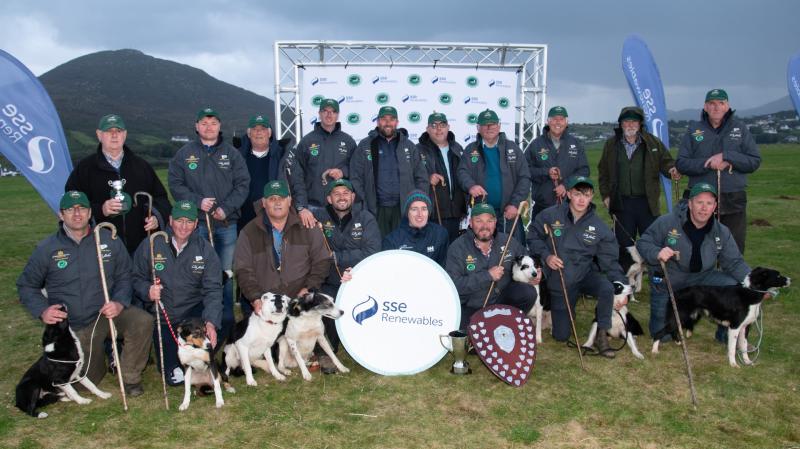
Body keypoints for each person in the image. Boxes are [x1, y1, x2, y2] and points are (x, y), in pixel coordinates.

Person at [17, 191, 153, 396]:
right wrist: (42, 310)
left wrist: (119, 301)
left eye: (81, 208)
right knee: (84, 382)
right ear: (61, 215)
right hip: (77, 325)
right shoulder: (47, 249)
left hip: (108, 312)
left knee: (142, 320)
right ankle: (99, 357)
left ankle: (130, 376)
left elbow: (126, 274)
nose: (77, 214)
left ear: (90, 212)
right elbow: (26, 285)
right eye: (70, 210)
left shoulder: (108, 239)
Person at [168, 107, 250, 341]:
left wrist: (226, 207)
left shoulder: (232, 154)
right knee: (198, 274)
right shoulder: (184, 154)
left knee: (224, 275)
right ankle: (198, 323)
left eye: (213, 123)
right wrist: (197, 202)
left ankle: (223, 323)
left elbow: (243, 184)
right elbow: (175, 183)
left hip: (226, 225)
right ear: (196, 126)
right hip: (196, 226)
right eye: (204, 123)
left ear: (219, 126)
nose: (208, 127)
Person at [636, 182, 751, 339]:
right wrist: (657, 252)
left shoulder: (721, 232)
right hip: (670, 279)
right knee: (662, 336)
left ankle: (728, 334)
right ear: (690, 204)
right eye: (699, 202)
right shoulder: (668, 222)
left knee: (735, 286)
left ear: (715, 206)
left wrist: (753, 282)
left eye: (709, 203)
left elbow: (734, 262)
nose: (704, 208)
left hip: (704, 277)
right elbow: (644, 242)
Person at [528, 176, 626, 358]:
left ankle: (601, 335)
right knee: (561, 335)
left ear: (592, 197)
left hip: (584, 275)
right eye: (577, 194)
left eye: (586, 195)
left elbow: (610, 260)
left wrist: (622, 287)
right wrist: (547, 256)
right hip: (561, 282)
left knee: (606, 287)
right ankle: (567, 310)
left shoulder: (598, 226)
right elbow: (532, 237)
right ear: (569, 194)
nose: (582, 199)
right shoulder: (550, 215)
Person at [132, 200, 222, 386]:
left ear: (196, 224)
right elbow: (135, 277)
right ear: (170, 220)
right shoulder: (151, 244)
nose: (183, 226)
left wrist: (211, 322)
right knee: (174, 378)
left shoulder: (205, 249)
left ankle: (200, 354)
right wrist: (147, 290)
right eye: (179, 220)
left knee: (225, 318)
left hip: (191, 313)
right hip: (163, 316)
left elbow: (213, 289)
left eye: (189, 221)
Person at [65, 114, 171, 254]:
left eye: (118, 131)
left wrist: (156, 218)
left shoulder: (141, 166)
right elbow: (71, 207)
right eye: (109, 131)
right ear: (99, 135)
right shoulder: (84, 169)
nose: (114, 135)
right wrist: (100, 210)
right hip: (99, 249)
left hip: (140, 248)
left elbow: (161, 199)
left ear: (125, 134)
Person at [676, 89, 761, 254]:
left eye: (721, 103)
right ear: (705, 107)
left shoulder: (740, 129)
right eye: (712, 104)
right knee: (696, 247)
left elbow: (754, 161)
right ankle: (699, 279)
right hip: (700, 199)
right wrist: (708, 163)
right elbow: (681, 163)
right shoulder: (694, 130)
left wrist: (727, 157)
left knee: (733, 248)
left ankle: (732, 280)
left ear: (727, 106)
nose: (716, 107)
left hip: (732, 198)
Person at [313, 178, 381, 373]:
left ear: (353, 196)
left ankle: (367, 348)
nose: (342, 197)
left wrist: (337, 256)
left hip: (360, 277)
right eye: (336, 194)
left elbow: (372, 250)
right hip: (329, 279)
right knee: (325, 301)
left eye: (346, 193)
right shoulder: (318, 217)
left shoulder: (366, 217)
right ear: (328, 198)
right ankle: (326, 353)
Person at [234, 179, 330, 315]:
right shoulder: (249, 232)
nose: (278, 202)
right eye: (272, 198)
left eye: (282, 198)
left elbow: (322, 261)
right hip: (266, 305)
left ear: (289, 201)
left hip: (300, 302)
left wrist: (309, 289)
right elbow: (243, 270)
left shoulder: (307, 226)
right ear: (263, 202)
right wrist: (255, 298)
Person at [598, 106, 680, 255]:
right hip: (621, 203)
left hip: (647, 203)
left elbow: (666, 162)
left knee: (653, 241)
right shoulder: (611, 144)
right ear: (621, 124)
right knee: (623, 243)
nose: (630, 125)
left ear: (640, 123)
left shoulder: (653, 143)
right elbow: (603, 172)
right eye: (626, 121)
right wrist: (605, 195)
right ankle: (623, 277)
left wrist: (672, 170)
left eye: (634, 121)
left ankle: (656, 276)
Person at [446, 203, 539, 331]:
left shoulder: (508, 241)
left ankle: (509, 323)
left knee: (527, 292)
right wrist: (487, 276)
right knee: (473, 343)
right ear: (471, 223)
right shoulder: (457, 248)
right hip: (473, 305)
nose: (485, 226)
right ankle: (491, 326)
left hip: (502, 300)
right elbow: (454, 285)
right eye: (479, 221)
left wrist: (536, 272)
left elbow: (526, 258)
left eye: (489, 221)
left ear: (495, 222)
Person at [349, 106, 428, 236]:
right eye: (384, 119)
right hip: (376, 209)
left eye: (391, 119)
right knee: (379, 247)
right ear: (378, 122)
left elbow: (421, 177)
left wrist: (417, 202)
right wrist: (365, 199)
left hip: (402, 208)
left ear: (396, 122)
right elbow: (355, 176)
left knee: (403, 246)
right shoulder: (365, 145)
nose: (387, 123)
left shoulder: (408, 146)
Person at [457, 109, 530, 244]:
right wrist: (471, 186)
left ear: (499, 126)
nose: (489, 127)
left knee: (512, 253)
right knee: (481, 252)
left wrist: (515, 204)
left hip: (508, 213)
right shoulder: (470, 150)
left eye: (493, 124)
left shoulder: (513, 148)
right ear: (478, 127)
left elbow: (525, 178)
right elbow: (462, 172)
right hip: (481, 214)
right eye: (485, 124)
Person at [288, 98, 357, 229]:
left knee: (341, 247)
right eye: (325, 111)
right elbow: (297, 177)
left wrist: (343, 172)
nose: (329, 114)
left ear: (338, 115)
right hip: (314, 208)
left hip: (341, 208)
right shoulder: (307, 141)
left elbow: (357, 171)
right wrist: (301, 207)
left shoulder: (348, 141)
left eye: (333, 111)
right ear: (319, 114)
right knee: (315, 247)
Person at [527, 106, 589, 219]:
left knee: (569, 236)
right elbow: (525, 170)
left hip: (570, 205)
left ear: (566, 122)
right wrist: (546, 172)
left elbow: (584, 170)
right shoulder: (536, 144)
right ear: (548, 121)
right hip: (543, 206)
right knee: (540, 236)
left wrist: (566, 185)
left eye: (561, 119)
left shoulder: (575, 144)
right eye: (554, 119)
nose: (558, 122)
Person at [416, 112, 466, 242]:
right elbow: (410, 177)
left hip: (455, 213)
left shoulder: (458, 148)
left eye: (442, 125)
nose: (439, 129)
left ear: (448, 127)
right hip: (431, 213)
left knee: (452, 253)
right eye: (434, 125)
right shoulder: (417, 150)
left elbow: (464, 176)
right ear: (427, 129)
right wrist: (428, 179)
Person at [237, 114, 292, 234]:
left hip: (272, 216)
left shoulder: (282, 155)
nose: (258, 133)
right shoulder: (237, 156)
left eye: (262, 129)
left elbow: (296, 183)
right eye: (255, 130)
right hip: (242, 216)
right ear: (249, 134)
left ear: (269, 133)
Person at [382, 190, 450, 267]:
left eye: (424, 209)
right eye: (414, 209)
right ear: (407, 213)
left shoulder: (440, 235)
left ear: (429, 212)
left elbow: (443, 269)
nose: (420, 214)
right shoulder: (392, 240)